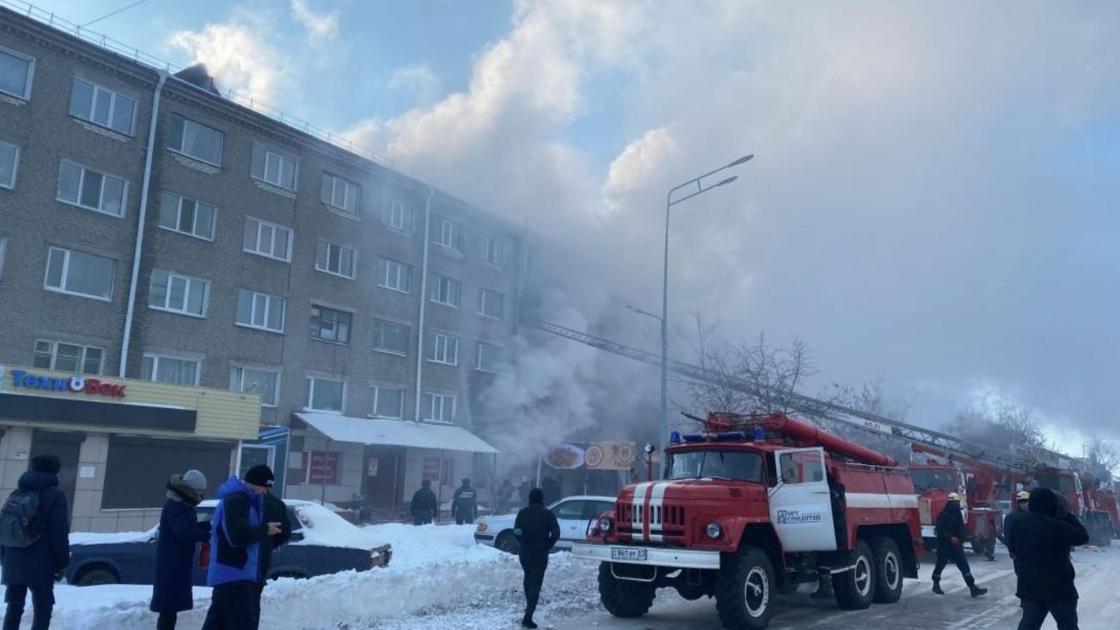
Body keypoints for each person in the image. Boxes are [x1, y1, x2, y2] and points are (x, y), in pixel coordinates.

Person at [202, 465, 281, 630]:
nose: (265, 492)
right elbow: (237, 537)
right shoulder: (236, 500)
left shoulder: (246, 500)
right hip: (234, 573)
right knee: (243, 624)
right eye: (265, 487)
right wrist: (265, 529)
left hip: (236, 573)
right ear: (256, 483)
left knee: (218, 623)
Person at [0, 454, 69, 630]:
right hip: (41, 562)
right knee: (43, 607)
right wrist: (62, 563)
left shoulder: (17, 493)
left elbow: (5, 527)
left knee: (14, 606)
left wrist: (4, 557)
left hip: (13, 559)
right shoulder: (55, 497)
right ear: (55, 471)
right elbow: (59, 533)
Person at [1008, 487, 1089, 630]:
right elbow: (1082, 537)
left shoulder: (1018, 524)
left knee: (1029, 625)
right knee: (1067, 625)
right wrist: (1066, 515)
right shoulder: (1058, 526)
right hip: (1059, 588)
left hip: (1029, 586)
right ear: (1052, 504)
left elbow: (1013, 549)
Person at [151, 470, 210, 630]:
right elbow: (184, 533)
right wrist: (208, 536)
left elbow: (187, 528)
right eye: (199, 491)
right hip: (171, 565)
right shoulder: (177, 507)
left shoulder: (182, 504)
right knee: (168, 609)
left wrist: (206, 526)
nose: (201, 494)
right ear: (190, 489)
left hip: (176, 563)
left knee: (170, 608)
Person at [514, 488, 560, 629]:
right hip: (540, 553)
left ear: (530, 499)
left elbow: (516, 531)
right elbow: (556, 532)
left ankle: (529, 609)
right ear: (542, 499)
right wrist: (548, 545)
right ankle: (528, 617)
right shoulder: (548, 514)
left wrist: (522, 541)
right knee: (536, 583)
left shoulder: (522, 513)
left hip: (525, 553)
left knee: (528, 578)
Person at [931, 492, 987, 597]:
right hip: (945, 546)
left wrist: (962, 538)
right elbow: (940, 530)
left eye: (957, 502)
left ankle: (972, 587)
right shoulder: (943, 515)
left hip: (957, 546)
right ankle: (936, 584)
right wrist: (950, 537)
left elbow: (961, 528)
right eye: (954, 502)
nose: (956, 505)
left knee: (964, 566)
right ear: (950, 503)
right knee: (940, 565)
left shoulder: (958, 514)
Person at [254, 485, 292, 625]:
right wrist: (269, 544)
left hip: (242, 559)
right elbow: (285, 532)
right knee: (253, 600)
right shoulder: (276, 503)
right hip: (262, 557)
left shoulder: (244, 501)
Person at [1003, 490, 1032, 561]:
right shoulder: (1011, 517)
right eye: (1023, 502)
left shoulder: (1034, 515)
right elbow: (1008, 535)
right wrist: (1011, 550)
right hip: (1020, 552)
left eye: (1027, 501)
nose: (1025, 504)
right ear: (1019, 503)